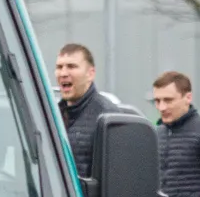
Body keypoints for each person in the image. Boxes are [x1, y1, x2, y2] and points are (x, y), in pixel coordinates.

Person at [55, 43, 139, 184]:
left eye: (71, 66)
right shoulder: (53, 117)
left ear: (90, 73)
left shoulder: (106, 116)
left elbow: (118, 179)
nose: (63, 73)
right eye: (59, 67)